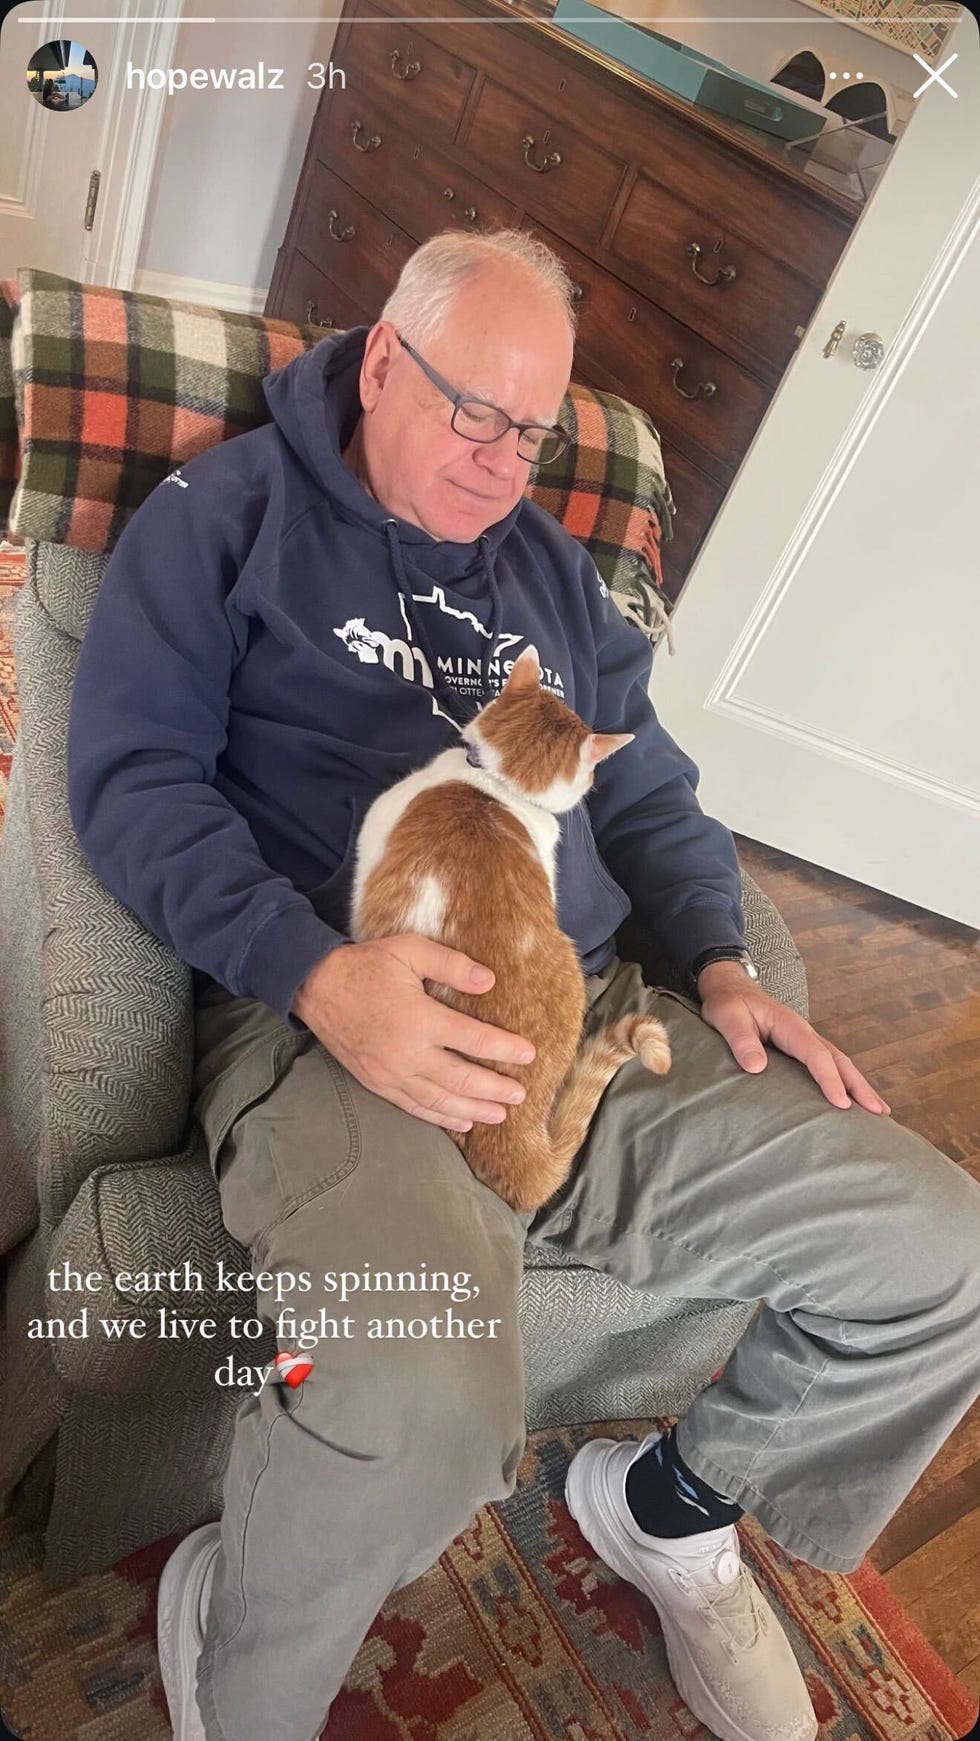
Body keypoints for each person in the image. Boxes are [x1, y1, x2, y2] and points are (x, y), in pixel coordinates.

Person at [67, 229, 980, 1741]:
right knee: (422, 1408)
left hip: (581, 1009)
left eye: (533, 428)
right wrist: (316, 973)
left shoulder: (556, 575)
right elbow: (132, 783)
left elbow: (656, 791)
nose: (502, 462)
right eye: (467, 410)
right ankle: (242, 1640)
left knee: (944, 1254)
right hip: (338, 1021)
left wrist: (723, 964)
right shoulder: (223, 518)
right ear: (378, 362)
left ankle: (673, 1507)